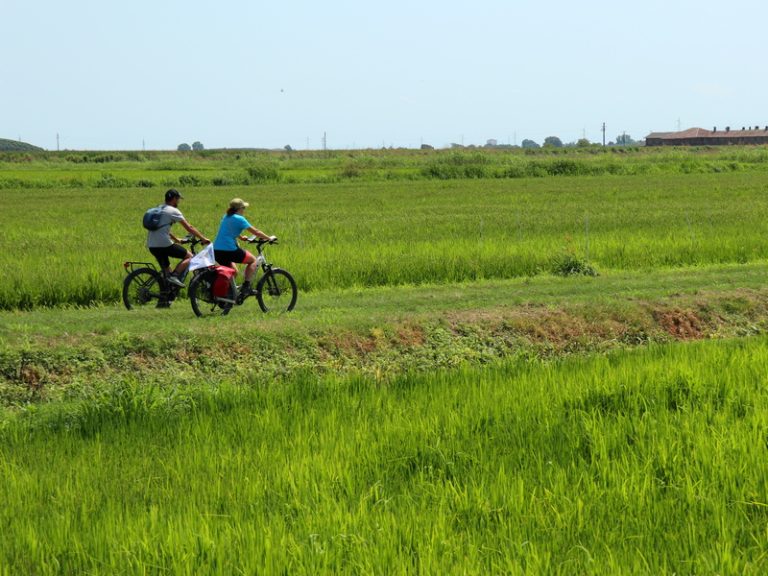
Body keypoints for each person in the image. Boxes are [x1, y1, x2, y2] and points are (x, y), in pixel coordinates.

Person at [147, 189, 210, 288]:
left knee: (167, 273)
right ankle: (175, 275)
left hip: (152, 245)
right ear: (174, 199)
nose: (179, 202)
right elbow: (189, 227)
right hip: (164, 244)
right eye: (178, 199)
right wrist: (203, 238)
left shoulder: (159, 209)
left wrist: (176, 239)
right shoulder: (173, 211)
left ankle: (165, 297)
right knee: (190, 256)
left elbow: (162, 229)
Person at [213, 197, 276, 296]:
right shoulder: (240, 219)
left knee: (233, 272)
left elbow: (229, 230)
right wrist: (269, 238)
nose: (244, 210)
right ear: (239, 209)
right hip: (229, 249)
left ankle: (227, 296)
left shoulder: (226, 216)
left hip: (217, 250)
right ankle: (247, 287)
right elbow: (256, 232)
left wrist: (241, 237)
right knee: (253, 260)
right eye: (243, 208)